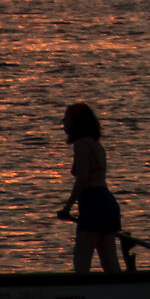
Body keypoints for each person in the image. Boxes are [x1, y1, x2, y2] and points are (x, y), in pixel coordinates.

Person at [55, 102, 123, 274]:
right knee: (111, 266)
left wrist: (67, 207)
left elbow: (82, 179)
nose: (63, 122)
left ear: (76, 122)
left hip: (94, 204)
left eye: (67, 118)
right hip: (107, 203)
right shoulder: (95, 144)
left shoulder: (81, 145)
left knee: (81, 265)